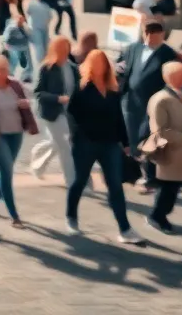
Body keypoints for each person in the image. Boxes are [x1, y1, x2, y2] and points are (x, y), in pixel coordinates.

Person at [65, 49, 143, 244]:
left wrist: (125, 144)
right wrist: (78, 135)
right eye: (96, 62)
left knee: (115, 185)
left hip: (109, 144)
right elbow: (71, 115)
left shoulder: (112, 90)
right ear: (90, 65)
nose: (100, 66)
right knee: (80, 181)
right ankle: (71, 217)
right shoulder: (82, 88)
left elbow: (119, 118)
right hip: (86, 143)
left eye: (103, 62)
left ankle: (124, 229)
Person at [118, 21, 176, 192]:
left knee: (149, 140)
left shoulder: (167, 54)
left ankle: (151, 178)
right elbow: (121, 66)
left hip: (152, 105)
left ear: (162, 34)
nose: (149, 37)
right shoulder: (133, 48)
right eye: (146, 33)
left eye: (154, 33)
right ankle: (131, 174)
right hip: (130, 103)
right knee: (130, 139)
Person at [0, 55, 38, 227]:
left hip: (16, 134)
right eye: (0, 70)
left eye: (6, 69)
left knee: (5, 169)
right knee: (7, 173)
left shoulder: (15, 84)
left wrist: (26, 104)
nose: (5, 73)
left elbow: (32, 98)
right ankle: (14, 215)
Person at [143, 61, 182, 233]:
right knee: (168, 191)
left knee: (170, 190)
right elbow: (160, 132)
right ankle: (156, 217)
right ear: (174, 77)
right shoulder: (160, 100)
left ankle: (157, 216)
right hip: (171, 155)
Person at [30, 37, 78, 186]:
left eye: (66, 48)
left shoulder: (72, 67)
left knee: (57, 143)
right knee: (65, 146)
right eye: (61, 49)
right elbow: (37, 92)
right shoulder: (46, 68)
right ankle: (71, 181)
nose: (64, 52)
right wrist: (58, 98)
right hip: (52, 113)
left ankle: (37, 163)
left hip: (69, 113)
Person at [0, 11, 33, 82]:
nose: (21, 22)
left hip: (23, 47)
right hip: (14, 48)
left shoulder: (24, 27)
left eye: (22, 20)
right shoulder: (12, 28)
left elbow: (29, 36)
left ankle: (26, 76)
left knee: (27, 63)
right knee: (13, 62)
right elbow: (6, 38)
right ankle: (9, 75)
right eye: (19, 20)